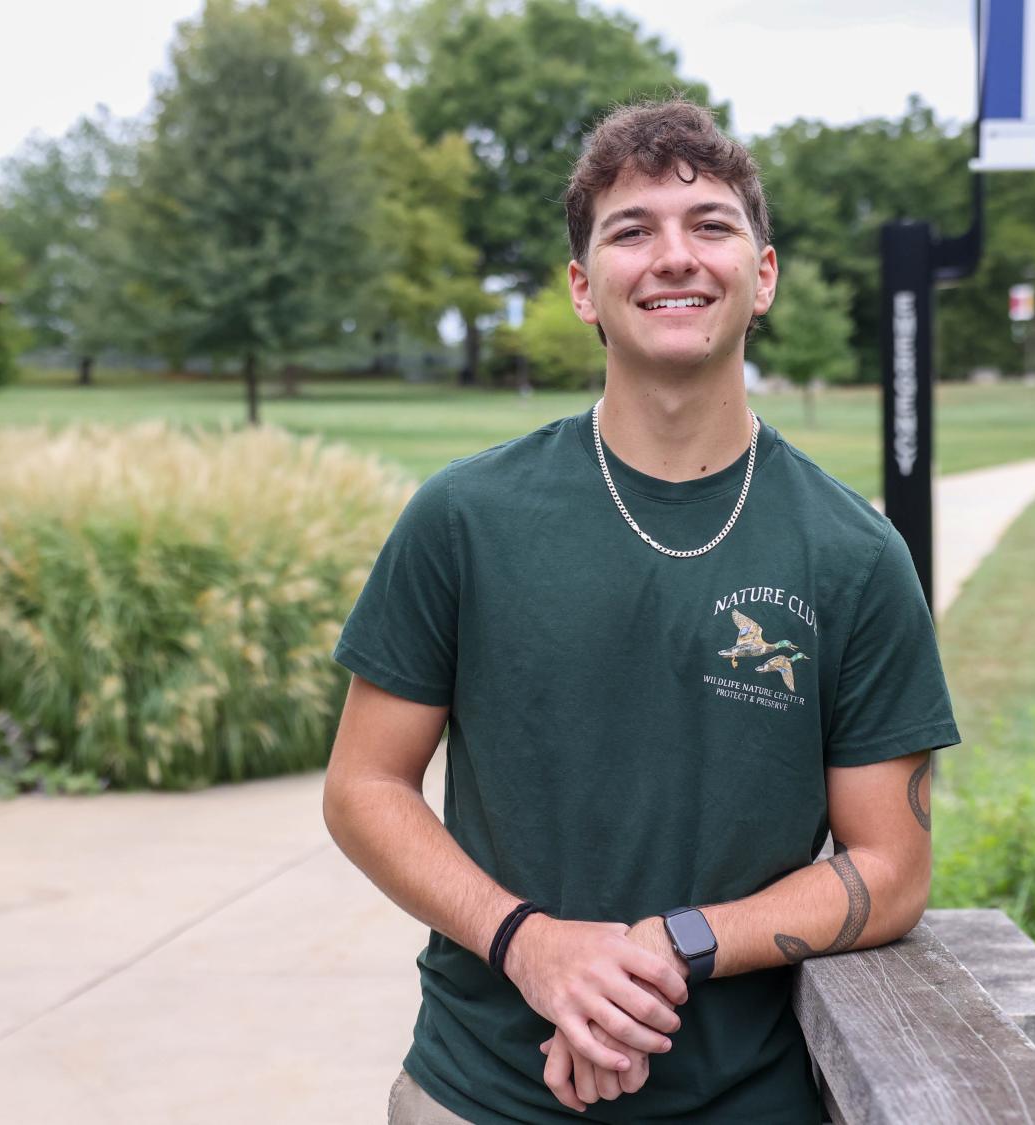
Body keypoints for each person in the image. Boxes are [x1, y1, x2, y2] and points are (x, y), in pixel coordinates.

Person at [322, 99, 959, 1124]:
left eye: (711, 225)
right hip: (480, 1093)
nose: (674, 256)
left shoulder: (852, 555)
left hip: (743, 1101)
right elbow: (363, 785)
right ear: (583, 287)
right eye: (632, 230)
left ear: (765, 275)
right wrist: (533, 945)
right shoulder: (466, 518)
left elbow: (892, 870)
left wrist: (669, 947)